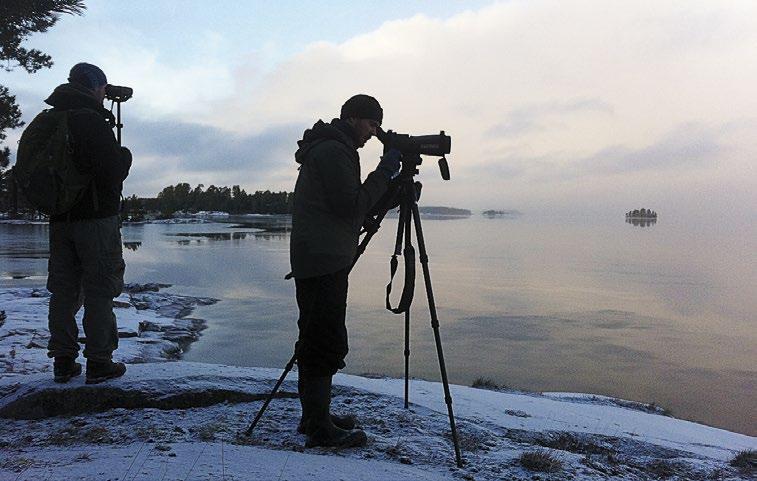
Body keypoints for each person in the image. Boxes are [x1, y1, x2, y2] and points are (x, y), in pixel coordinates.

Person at [290, 94, 401, 447]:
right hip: (324, 259)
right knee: (324, 339)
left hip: (319, 256)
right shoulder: (335, 151)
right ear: (354, 118)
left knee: (315, 336)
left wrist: (386, 190)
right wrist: (385, 171)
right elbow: (351, 207)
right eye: (371, 124)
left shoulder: (330, 147)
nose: (373, 133)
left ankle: (314, 417)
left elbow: (347, 205)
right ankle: (319, 427)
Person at [45, 63, 132, 384]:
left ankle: (63, 361)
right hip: (95, 220)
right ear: (94, 87)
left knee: (64, 290)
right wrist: (125, 156)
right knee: (99, 287)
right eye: (103, 89)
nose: (104, 95)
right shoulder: (89, 120)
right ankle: (99, 361)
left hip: (60, 219)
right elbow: (112, 172)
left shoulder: (55, 118)